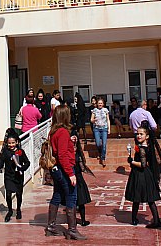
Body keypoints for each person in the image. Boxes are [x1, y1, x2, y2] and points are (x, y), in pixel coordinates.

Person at [44, 105, 87, 240]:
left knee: (57, 194)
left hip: (56, 168)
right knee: (71, 196)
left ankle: (51, 226)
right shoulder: (62, 132)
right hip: (63, 168)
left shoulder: (54, 131)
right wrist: (70, 173)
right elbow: (62, 155)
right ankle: (72, 230)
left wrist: (69, 141)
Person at [124, 121, 161, 228]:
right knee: (149, 199)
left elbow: (143, 164)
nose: (138, 136)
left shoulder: (142, 148)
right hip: (144, 174)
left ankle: (135, 219)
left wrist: (131, 162)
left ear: (147, 136)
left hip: (141, 174)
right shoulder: (145, 146)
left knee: (138, 197)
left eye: (141, 134)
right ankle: (156, 220)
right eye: (137, 133)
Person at [0, 128, 30, 222]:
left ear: (17, 142)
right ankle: (10, 211)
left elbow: (27, 163)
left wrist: (22, 168)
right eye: (9, 143)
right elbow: (1, 160)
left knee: (19, 194)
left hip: (18, 176)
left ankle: (18, 210)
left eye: (13, 143)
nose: (11, 145)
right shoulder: (5, 151)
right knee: (8, 194)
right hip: (8, 176)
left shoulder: (20, 152)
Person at [71, 128, 93, 226]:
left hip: (78, 176)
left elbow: (82, 164)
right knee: (72, 201)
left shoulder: (78, 150)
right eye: (72, 136)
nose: (74, 138)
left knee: (81, 200)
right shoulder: (67, 150)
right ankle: (72, 222)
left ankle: (83, 220)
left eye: (75, 136)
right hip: (70, 176)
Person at [90, 97, 111, 167]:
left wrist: (109, 128)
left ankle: (103, 158)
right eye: (99, 103)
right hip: (97, 129)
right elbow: (91, 120)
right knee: (98, 143)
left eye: (101, 103)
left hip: (104, 128)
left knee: (104, 144)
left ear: (103, 104)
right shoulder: (94, 110)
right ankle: (100, 152)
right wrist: (94, 120)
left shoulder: (105, 110)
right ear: (97, 104)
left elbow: (108, 120)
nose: (100, 104)